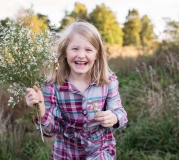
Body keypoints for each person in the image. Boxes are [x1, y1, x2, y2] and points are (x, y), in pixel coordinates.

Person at [25, 20, 128, 160]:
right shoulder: (53, 85)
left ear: (97, 54)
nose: (81, 55)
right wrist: (41, 110)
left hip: (99, 149)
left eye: (88, 50)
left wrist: (114, 118)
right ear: (65, 51)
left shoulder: (107, 81)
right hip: (66, 151)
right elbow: (52, 129)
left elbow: (120, 112)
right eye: (75, 49)